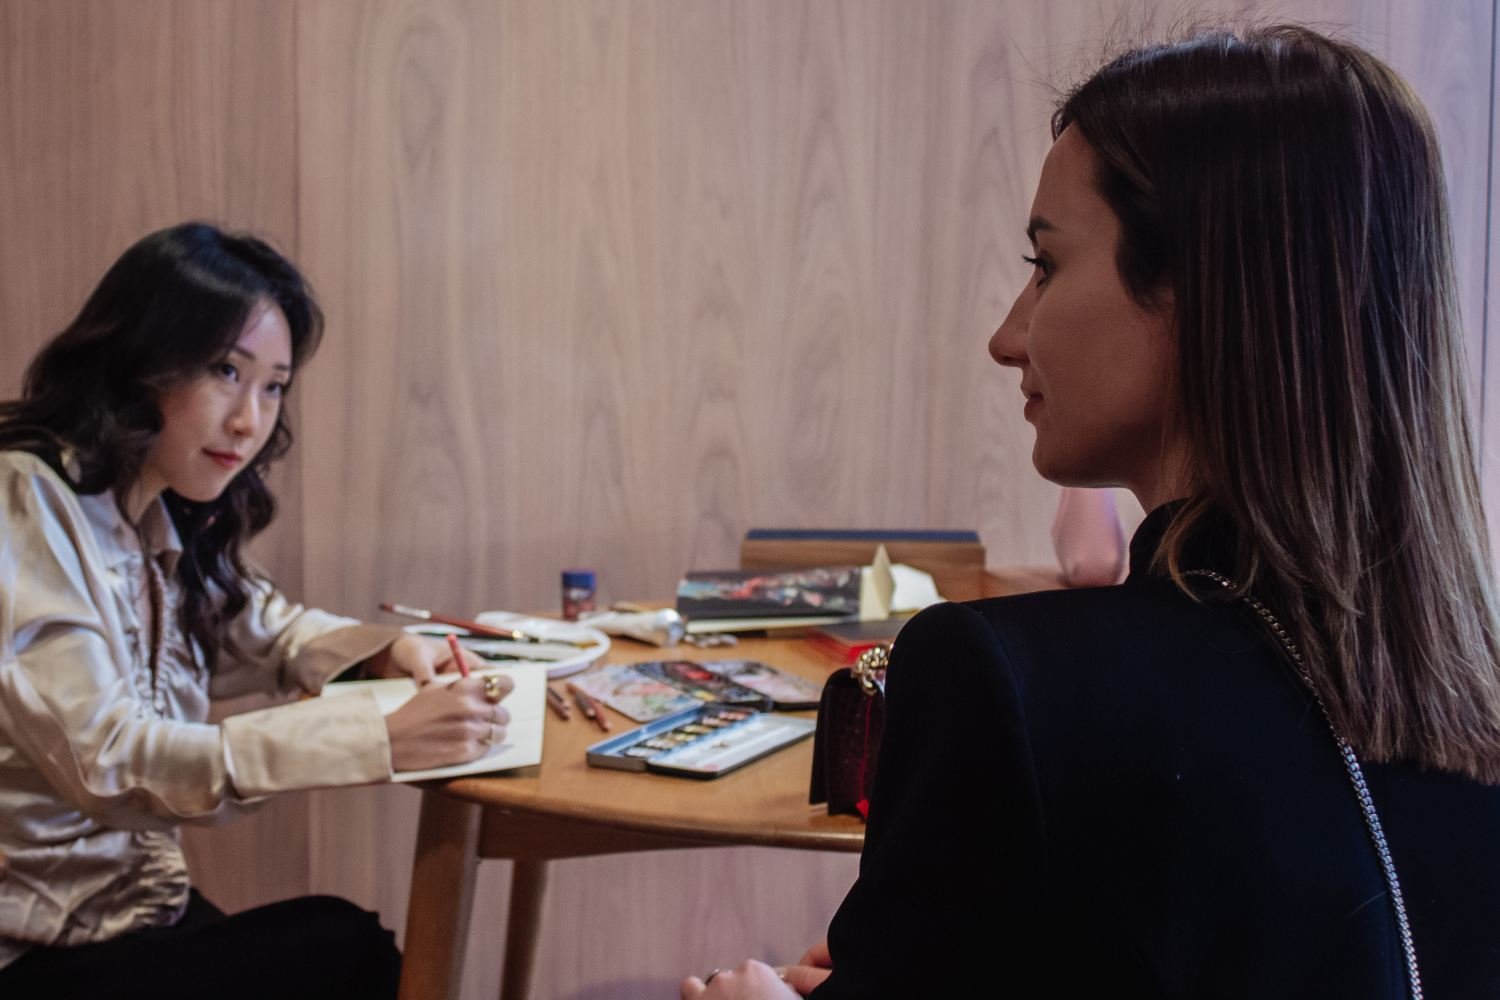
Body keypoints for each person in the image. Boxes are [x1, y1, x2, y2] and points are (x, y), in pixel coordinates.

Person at [683, 24, 1500, 1000]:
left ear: (1198, 292)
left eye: (1045, 265)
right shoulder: (1470, 715)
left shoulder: (1003, 684)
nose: (1006, 336)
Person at [0, 222, 515, 999]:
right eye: (224, 372)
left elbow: (261, 626)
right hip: (31, 949)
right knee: (343, 948)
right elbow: (109, 762)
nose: (250, 419)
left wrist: (384, 652)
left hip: (127, 914)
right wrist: (372, 735)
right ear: (142, 359)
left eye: (272, 385)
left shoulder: (148, 502)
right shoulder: (26, 501)